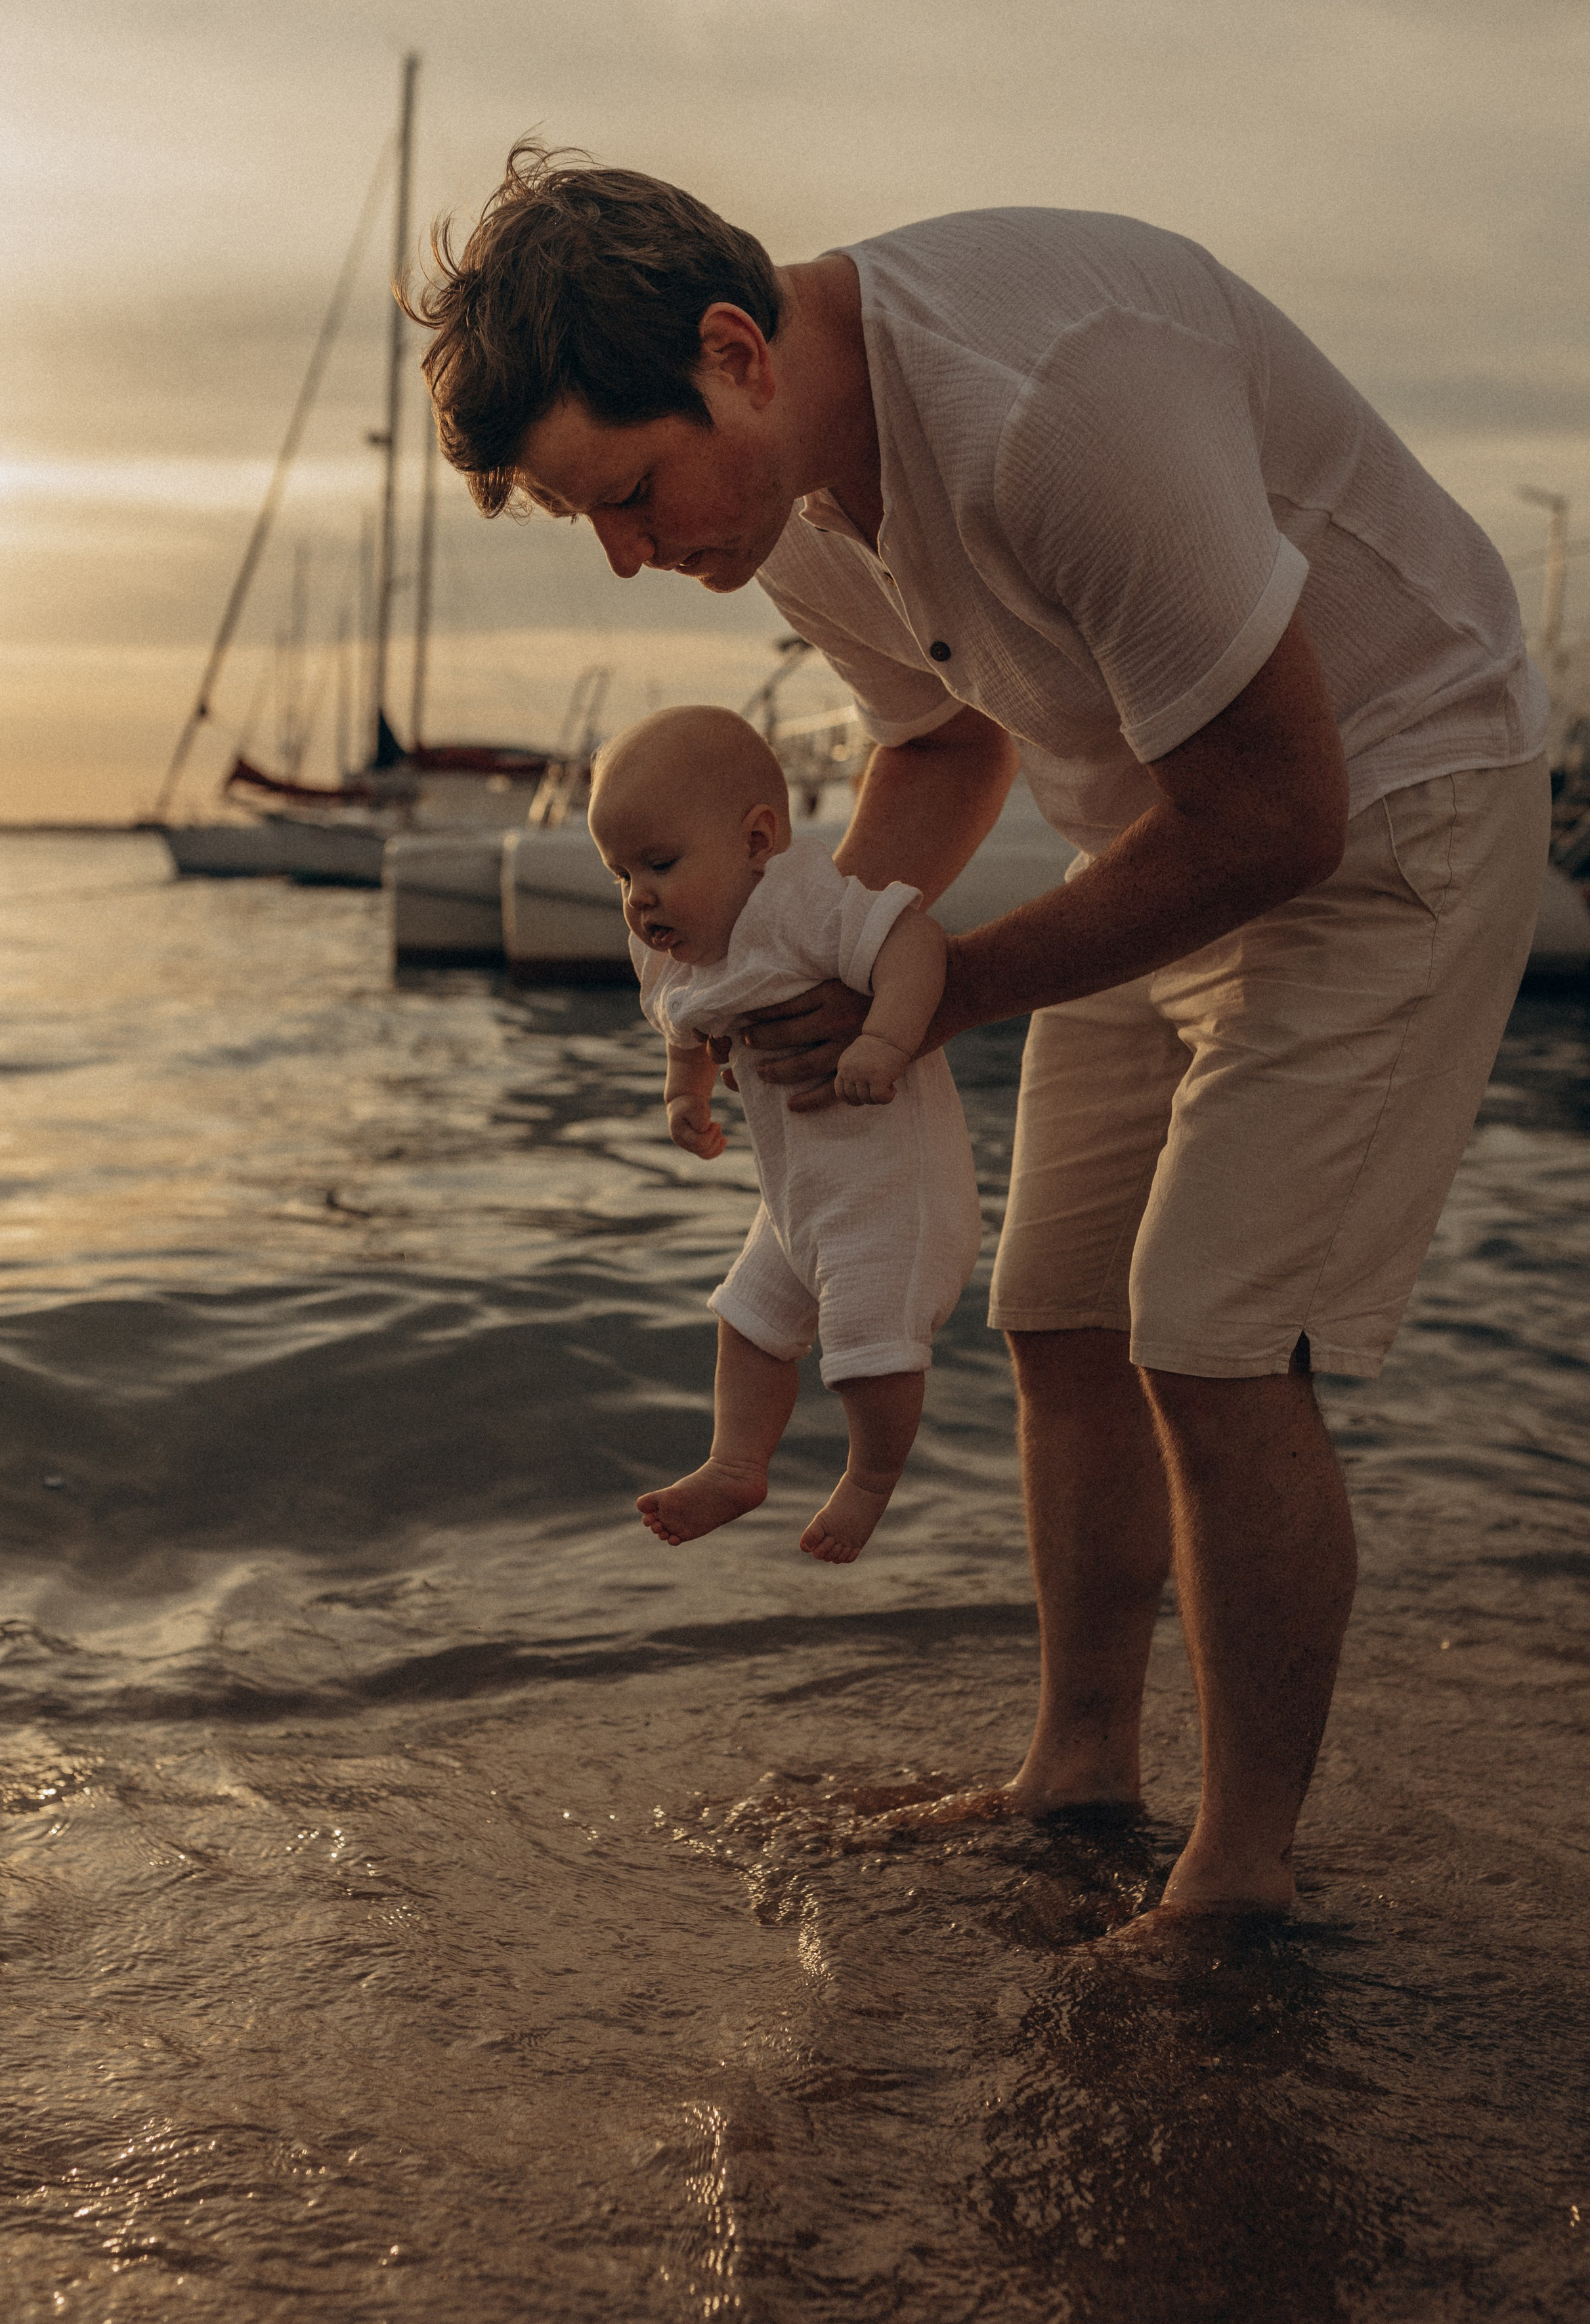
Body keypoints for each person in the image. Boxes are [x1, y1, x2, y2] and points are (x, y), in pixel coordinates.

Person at [406, 146, 1551, 1930]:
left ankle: (1238, 1876)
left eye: (627, 494)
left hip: (1396, 797)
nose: (631, 556)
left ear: (734, 352)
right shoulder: (787, 501)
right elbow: (943, 745)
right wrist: (802, 972)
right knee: (1057, 1313)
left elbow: (1279, 812)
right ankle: (1078, 1770)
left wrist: (938, 990)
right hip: (1159, 825)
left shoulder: (1048, 405)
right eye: (590, 524)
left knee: (1213, 1333)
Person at [589, 703, 980, 1564]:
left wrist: (886, 1039)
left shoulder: (803, 906)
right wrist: (684, 1092)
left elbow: (916, 942)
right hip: (795, 1200)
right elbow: (686, 1021)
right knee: (747, 1319)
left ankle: (870, 1479)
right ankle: (736, 1465)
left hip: (891, 1197)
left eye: (660, 864)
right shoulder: (678, 946)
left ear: (758, 840)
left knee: (871, 1350)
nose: (640, 895)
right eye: (621, 873)